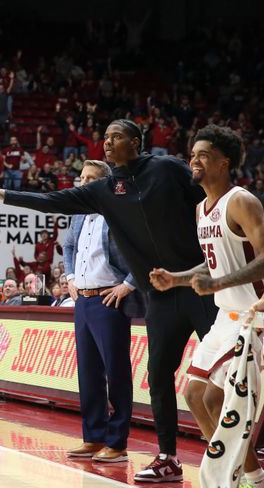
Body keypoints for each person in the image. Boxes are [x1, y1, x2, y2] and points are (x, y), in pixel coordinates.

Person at [0, 119, 218, 482]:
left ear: (135, 143)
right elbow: (52, 201)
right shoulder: (104, 190)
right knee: (159, 375)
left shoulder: (166, 168)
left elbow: (207, 202)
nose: (107, 142)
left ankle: (242, 448)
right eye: (105, 136)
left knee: (228, 370)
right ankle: (167, 457)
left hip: (201, 283)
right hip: (161, 293)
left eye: (116, 136)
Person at [148, 125, 264, 485]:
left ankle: (248, 479)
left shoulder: (241, 201)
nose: (193, 160)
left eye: (202, 155)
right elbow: (215, 263)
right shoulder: (202, 209)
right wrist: (178, 278)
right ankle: (248, 475)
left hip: (252, 318)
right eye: (192, 154)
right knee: (195, 395)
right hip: (224, 319)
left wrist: (217, 284)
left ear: (223, 162)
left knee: (217, 401)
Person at [62, 160, 144, 463]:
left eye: (89, 179)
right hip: (82, 300)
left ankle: (117, 442)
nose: (82, 183)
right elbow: (68, 246)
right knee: (89, 374)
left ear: (103, 184)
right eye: (81, 177)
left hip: (110, 299)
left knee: (116, 372)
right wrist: (69, 276)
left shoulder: (120, 212)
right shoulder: (79, 214)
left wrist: (129, 284)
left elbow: (144, 248)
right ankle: (93, 437)